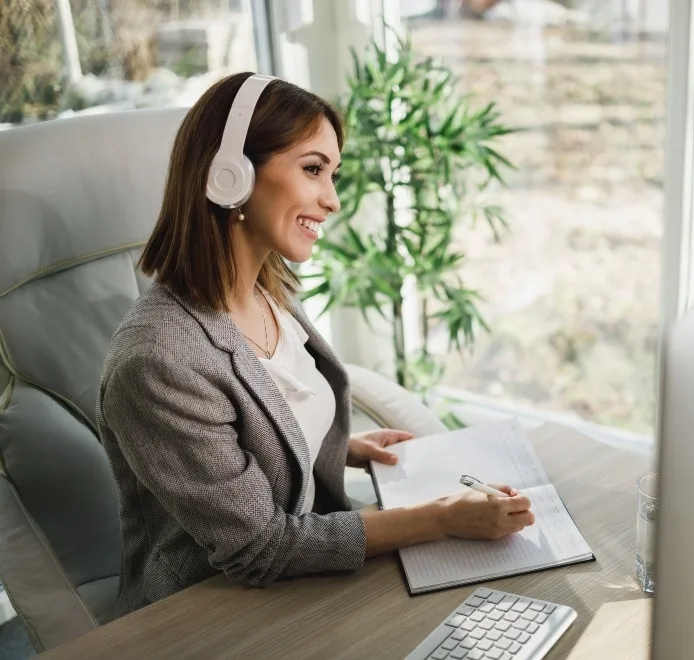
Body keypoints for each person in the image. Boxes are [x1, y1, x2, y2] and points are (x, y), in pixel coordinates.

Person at [96, 72, 535, 618]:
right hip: (214, 613)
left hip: (310, 570)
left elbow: (261, 412)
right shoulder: (158, 361)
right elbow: (260, 547)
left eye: (333, 174)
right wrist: (441, 517)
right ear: (229, 175)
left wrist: (332, 444)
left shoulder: (268, 288)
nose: (332, 200)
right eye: (312, 169)